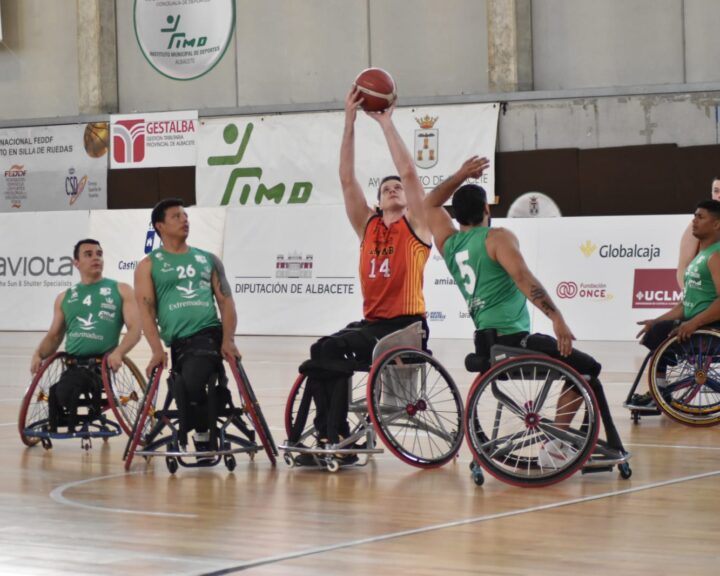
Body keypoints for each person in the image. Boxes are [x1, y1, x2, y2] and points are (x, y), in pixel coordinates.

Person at [424, 156, 626, 464]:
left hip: (486, 345)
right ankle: (557, 444)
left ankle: (567, 442)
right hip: (514, 342)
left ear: (456, 214)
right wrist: (556, 317)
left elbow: (429, 203)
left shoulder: (449, 245)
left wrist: (461, 174)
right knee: (588, 368)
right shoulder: (497, 238)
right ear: (487, 209)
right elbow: (523, 278)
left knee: (581, 366)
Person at [292, 87, 432, 463]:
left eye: (397, 188)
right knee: (321, 349)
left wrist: (386, 124)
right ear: (378, 201)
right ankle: (330, 434)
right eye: (386, 189)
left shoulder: (417, 227)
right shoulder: (368, 227)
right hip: (373, 325)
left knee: (334, 351)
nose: (393, 190)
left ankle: (334, 435)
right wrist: (349, 121)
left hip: (406, 326)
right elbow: (346, 178)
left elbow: (409, 171)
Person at [134, 198, 241, 454]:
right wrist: (156, 349)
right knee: (183, 383)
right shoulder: (148, 265)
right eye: (176, 216)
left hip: (208, 335)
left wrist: (228, 340)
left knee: (191, 382)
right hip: (179, 344)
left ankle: (201, 431)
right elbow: (146, 312)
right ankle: (202, 419)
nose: (184, 220)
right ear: (160, 226)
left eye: (185, 216)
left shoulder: (208, 259)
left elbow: (226, 302)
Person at [30, 239, 141, 432]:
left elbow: (135, 330)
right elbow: (54, 336)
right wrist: (38, 354)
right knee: (61, 389)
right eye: (88, 254)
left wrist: (119, 352)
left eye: (99, 254)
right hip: (72, 365)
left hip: (100, 366)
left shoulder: (121, 290)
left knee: (70, 386)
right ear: (76, 263)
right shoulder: (65, 297)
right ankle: (60, 418)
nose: (96, 258)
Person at [632, 199, 720, 406]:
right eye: (694, 216)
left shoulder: (716, 256)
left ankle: (659, 393)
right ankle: (659, 391)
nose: (694, 221)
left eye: (700, 217)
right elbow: (685, 305)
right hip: (698, 326)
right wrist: (656, 320)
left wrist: (694, 323)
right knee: (657, 330)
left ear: (716, 224)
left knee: (660, 334)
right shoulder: (701, 256)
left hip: (709, 329)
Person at [676, 177, 720, 288]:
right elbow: (683, 268)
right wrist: (688, 293)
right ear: (711, 194)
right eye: (716, 191)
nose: (719, 195)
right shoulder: (698, 224)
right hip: (703, 292)